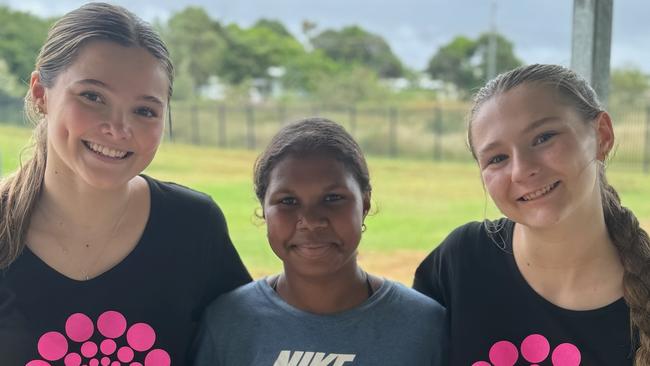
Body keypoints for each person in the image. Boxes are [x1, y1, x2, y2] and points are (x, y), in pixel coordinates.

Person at [0, 3, 251, 365]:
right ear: (41, 93)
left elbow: (255, 340)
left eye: (144, 110)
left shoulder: (193, 227)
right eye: (93, 97)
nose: (118, 129)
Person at [414, 64, 650, 365]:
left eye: (543, 138)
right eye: (497, 158)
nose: (522, 170)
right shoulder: (462, 262)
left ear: (601, 135)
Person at [193, 117, 447, 366]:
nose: (311, 220)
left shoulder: (423, 325)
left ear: (365, 204)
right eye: (288, 202)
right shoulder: (227, 322)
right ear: (263, 210)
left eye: (333, 198)